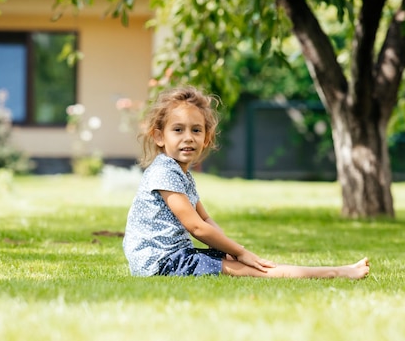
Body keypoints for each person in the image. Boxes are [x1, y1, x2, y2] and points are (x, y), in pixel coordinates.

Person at [122, 85, 370, 279]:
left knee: (237, 261)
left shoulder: (181, 173)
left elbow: (206, 219)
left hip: (174, 255)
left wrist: (230, 248)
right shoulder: (164, 171)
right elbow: (196, 227)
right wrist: (241, 252)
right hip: (161, 262)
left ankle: (334, 271)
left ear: (206, 138)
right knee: (250, 268)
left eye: (196, 130)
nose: (188, 138)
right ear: (159, 136)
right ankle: (336, 272)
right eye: (178, 130)